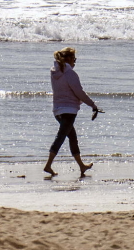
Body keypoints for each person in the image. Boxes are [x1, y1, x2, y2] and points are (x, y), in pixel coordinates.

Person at [44, 46, 102, 177]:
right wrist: (93, 105)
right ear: (69, 59)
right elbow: (79, 92)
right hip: (69, 111)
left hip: (57, 111)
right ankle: (48, 165)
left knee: (72, 137)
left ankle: (81, 166)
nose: (75, 62)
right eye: (74, 59)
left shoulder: (54, 72)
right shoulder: (70, 74)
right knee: (61, 137)